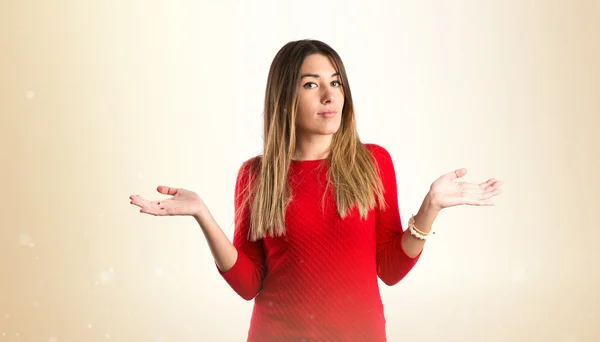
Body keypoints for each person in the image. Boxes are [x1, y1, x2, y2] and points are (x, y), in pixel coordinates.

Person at [129, 39, 503, 341]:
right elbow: (248, 283)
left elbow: (389, 269)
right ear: (284, 97)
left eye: (336, 82)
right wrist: (202, 215)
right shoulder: (256, 175)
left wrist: (430, 207)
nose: (330, 95)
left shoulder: (373, 162)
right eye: (312, 84)